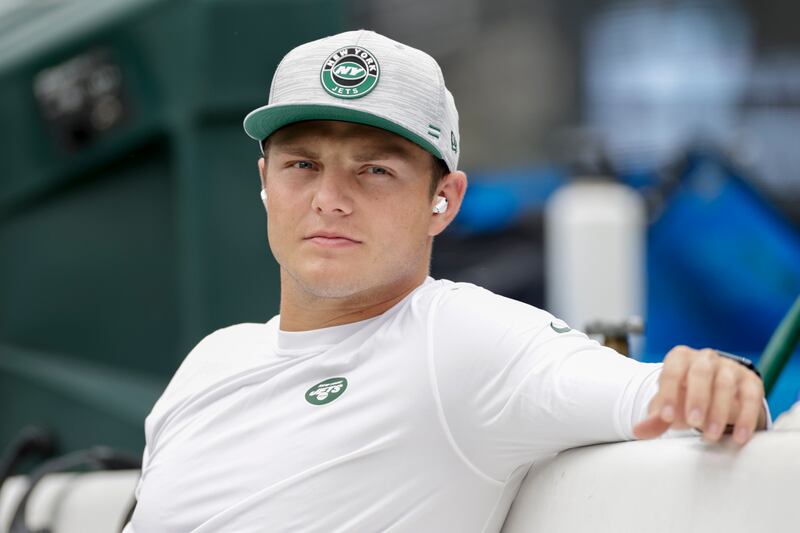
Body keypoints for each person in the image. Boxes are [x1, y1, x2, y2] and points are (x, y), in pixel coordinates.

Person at [124, 30, 770, 532]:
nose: (329, 198)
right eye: (302, 164)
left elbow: (657, 394)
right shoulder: (211, 362)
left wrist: (713, 377)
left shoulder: (460, 339)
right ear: (265, 181)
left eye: (373, 170)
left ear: (446, 198)